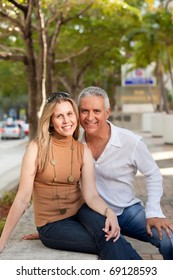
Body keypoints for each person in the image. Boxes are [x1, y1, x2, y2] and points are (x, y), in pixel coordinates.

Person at [0, 91, 142, 260]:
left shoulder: (83, 150)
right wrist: (2, 240)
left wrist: (109, 212)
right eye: (59, 116)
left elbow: (91, 195)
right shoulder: (36, 148)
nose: (67, 121)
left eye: (69, 114)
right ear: (51, 121)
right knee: (109, 240)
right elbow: (23, 198)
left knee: (112, 234)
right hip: (52, 225)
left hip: (82, 211)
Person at [77, 86, 173, 260]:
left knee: (168, 239)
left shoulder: (130, 141)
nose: (90, 117)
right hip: (95, 214)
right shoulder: (75, 143)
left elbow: (153, 174)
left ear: (107, 112)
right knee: (115, 246)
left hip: (127, 210)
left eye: (96, 111)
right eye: (84, 111)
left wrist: (154, 212)